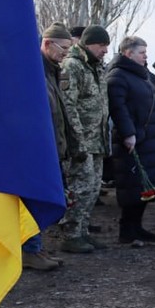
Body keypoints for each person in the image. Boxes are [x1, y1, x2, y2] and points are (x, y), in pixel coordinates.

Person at [106, 36, 155, 245]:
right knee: (132, 186)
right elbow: (118, 108)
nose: (146, 56)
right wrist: (128, 133)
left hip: (150, 139)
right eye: (142, 52)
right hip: (134, 140)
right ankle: (127, 230)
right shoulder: (118, 76)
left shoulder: (144, 76)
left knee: (144, 186)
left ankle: (137, 226)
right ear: (128, 53)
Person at [58, 25, 111, 254]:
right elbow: (69, 107)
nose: (105, 51)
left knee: (93, 187)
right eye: (102, 45)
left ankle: (83, 231)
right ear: (89, 44)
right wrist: (77, 140)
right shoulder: (73, 66)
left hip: (97, 139)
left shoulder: (96, 68)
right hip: (81, 141)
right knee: (80, 187)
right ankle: (71, 234)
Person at [27, 22, 75, 271]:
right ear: (47, 44)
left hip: (52, 149)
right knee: (35, 202)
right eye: (64, 47)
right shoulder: (34, 73)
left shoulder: (51, 71)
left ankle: (35, 247)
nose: (67, 53)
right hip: (38, 151)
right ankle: (30, 250)